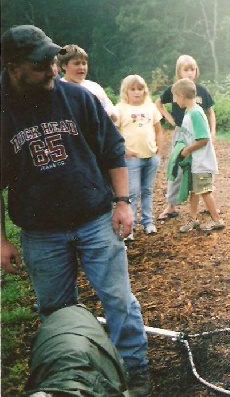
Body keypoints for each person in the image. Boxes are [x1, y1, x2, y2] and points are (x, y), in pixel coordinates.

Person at [0, 25, 151, 396]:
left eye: (54, 62)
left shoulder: (78, 98)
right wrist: (2, 241)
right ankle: (73, 378)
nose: (52, 71)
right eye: (40, 66)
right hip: (40, 232)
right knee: (56, 309)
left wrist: (122, 203)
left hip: (95, 218)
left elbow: (113, 150)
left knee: (118, 298)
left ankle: (133, 369)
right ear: (13, 66)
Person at [156, 55, 217, 220]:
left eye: (192, 69)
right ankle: (171, 205)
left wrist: (212, 131)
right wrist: (170, 120)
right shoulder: (174, 89)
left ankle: (209, 207)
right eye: (186, 69)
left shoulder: (201, 90)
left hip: (198, 134)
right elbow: (158, 103)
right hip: (182, 133)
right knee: (177, 167)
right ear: (179, 71)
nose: (190, 73)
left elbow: (210, 112)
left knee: (201, 168)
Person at [170, 78, 225, 233]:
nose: (174, 100)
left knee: (204, 190)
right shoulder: (190, 111)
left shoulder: (195, 113)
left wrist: (187, 150)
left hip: (202, 161)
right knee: (195, 190)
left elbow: (204, 138)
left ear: (181, 96)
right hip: (196, 162)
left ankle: (216, 220)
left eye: (174, 97)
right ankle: (192, 218)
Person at [115, 74, 164, 240]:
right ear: (126, 91)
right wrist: (123, 151)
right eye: (133, 89)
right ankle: (131, 226)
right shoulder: (120, 108)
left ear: (145, 90)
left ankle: (148, 222)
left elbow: (158, 130)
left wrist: (159, 151)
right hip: (132, 158)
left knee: (148, 190)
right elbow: (113, 133)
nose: (137, 92)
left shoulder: (150, 107)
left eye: (140, 89)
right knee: (133, 192)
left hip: (150, 156)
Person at [57, 44, 119, 122]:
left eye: (84, 63)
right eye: (77, 63)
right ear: (64, 66)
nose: (82, 67)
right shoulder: (58, 88)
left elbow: (114, 115)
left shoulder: (94, 87)